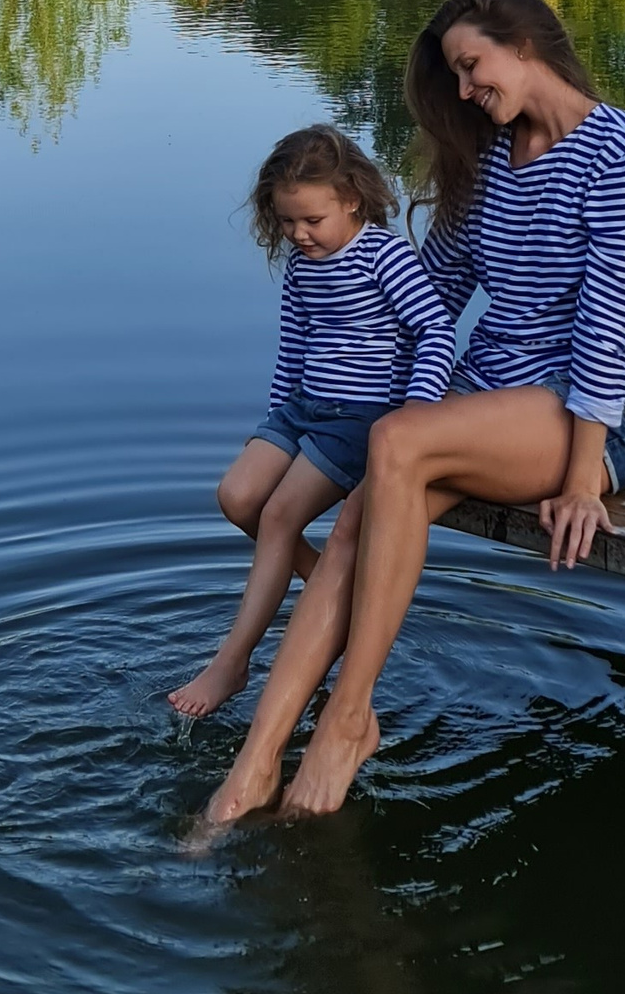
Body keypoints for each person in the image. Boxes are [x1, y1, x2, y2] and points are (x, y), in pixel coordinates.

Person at [202, 0, 625, 824]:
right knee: (355, 520)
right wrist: (351, 303)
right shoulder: (490, 159)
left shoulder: (622, 151)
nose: (463, 90)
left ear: (524, 43)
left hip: (592, 410)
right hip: (491, 392)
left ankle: (348, 718)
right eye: (454, 74)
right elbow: (437, 287)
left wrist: (584, 476)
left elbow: (609, 320)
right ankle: (253, 763)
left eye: (471, 65)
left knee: (398, 443)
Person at [165, 125, 460, 722]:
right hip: (304, 408)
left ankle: (233, 660)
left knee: (278, 516)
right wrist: (275, 420)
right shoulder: (303, 267)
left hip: (360, 418)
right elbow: (293, 348)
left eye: (312, 220)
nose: (299, 234)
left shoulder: (385, 256)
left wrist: (413, 415)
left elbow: (436, 330)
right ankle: (331, 587)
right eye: (287, 222)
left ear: (352, 199)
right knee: (238, 496)